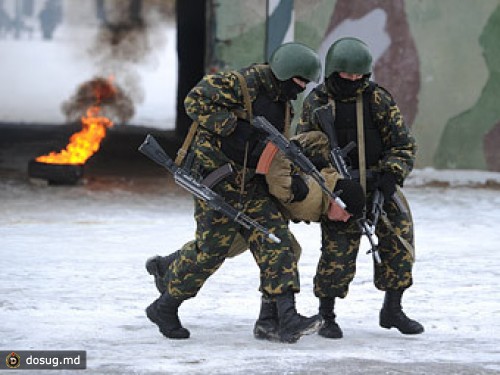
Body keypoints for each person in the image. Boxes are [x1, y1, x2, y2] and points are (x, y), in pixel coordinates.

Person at [146, 42, 324, 343]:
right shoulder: (239, 84)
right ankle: (165, 307)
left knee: (277, 240)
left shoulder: (282, 103)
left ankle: (282, 318)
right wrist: (232, 126)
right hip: (213, 180)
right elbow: (195, 101)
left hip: (249, 185)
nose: (301, 89)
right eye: (298, 82)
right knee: (212, 251)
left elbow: (272, 148)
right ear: (283, 74)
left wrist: (291, 176)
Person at [296, 37, 424, 339]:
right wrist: (331, 183)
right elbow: (305, 148)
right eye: (347, 76)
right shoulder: (317, 102)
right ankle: (326, 315)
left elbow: (403, 143)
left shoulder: (377, 99)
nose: (353, 81)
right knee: (336, 253)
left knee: (399, 243)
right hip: (340, 188)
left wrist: (392, 173)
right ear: (333, 71)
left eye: (359, 76)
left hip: (380, 183)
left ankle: (392, 309)